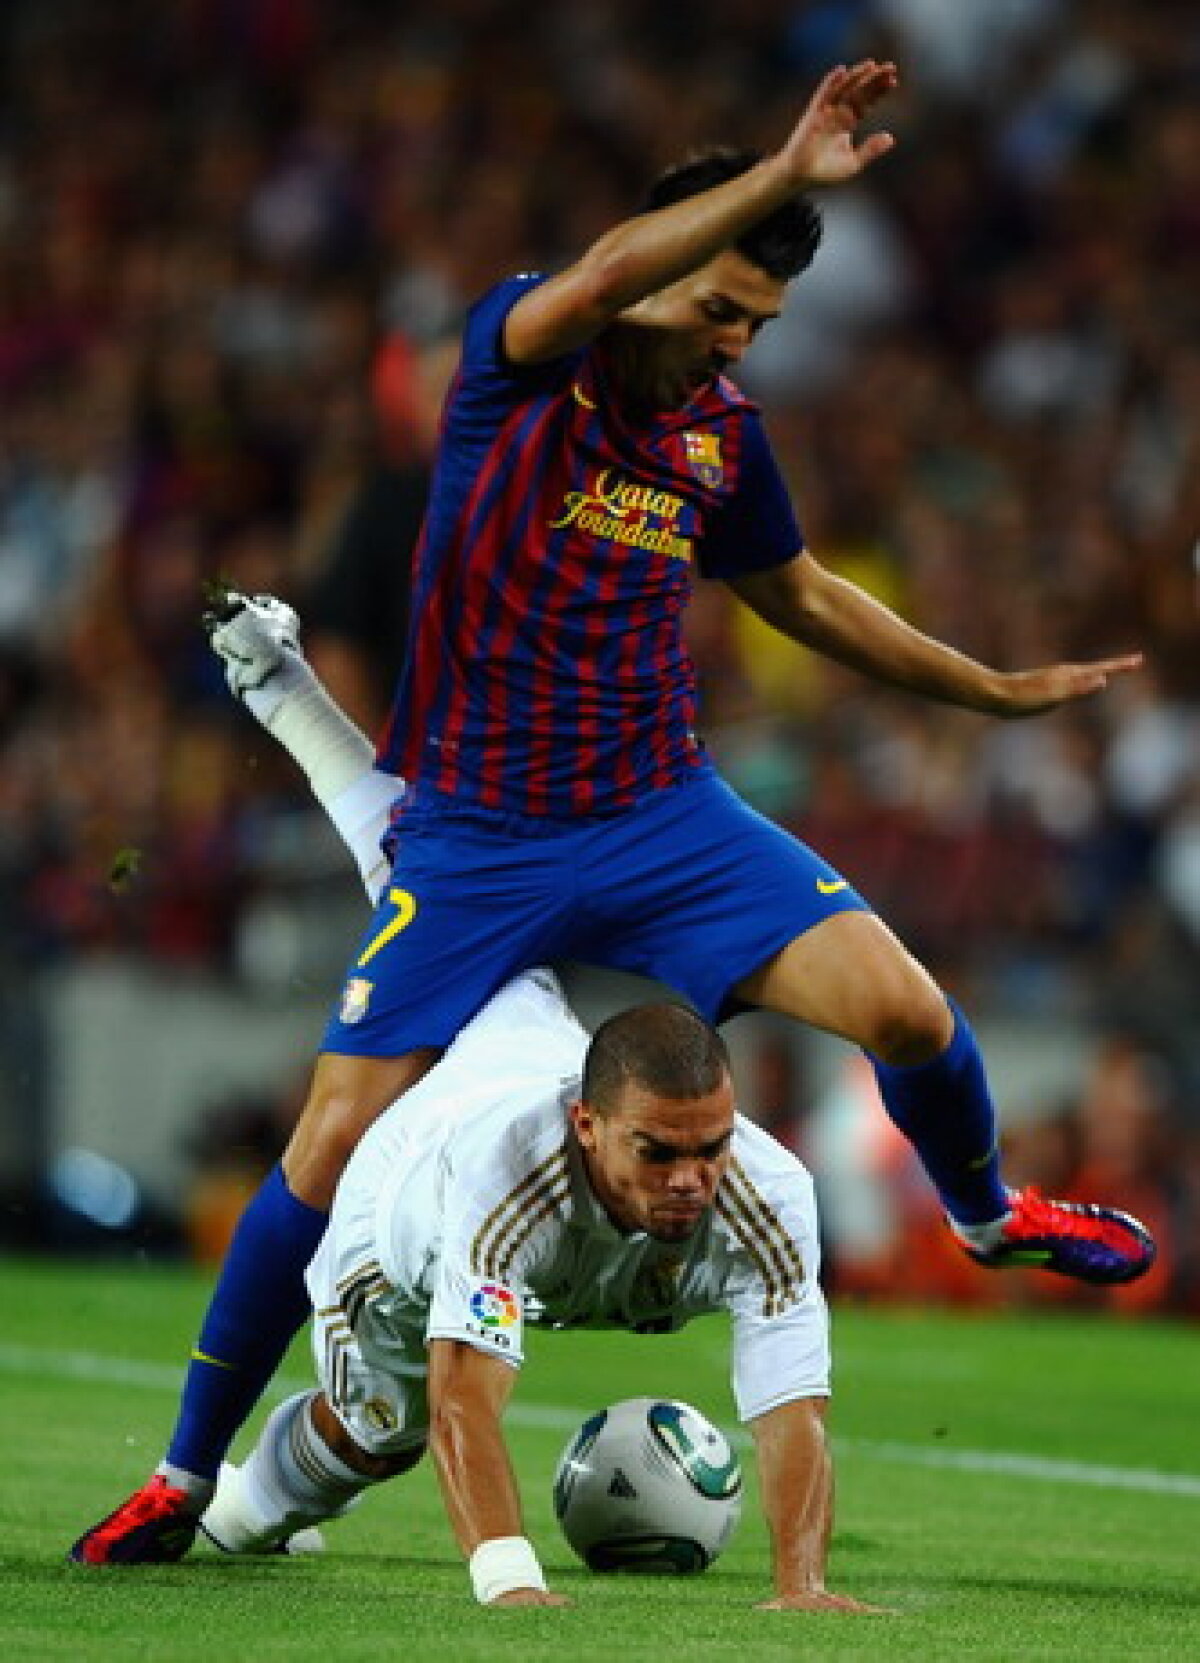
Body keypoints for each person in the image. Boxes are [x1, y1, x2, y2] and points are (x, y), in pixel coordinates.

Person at [72, 60, 1154, 1564]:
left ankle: (985, 1215)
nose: (734, 342)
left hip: (662, 818)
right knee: (328, 1139)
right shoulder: (522, 360)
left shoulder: (723, 434)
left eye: (759, 323)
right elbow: (595, 276)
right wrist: (781, 174)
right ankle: (184, 1474)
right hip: (481, 836)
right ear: (657, 269)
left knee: (909, 1013)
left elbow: (801, 594)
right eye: (719, 306)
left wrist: (988, 688)